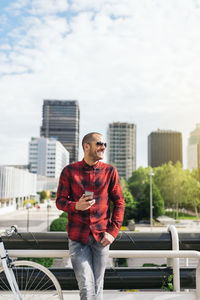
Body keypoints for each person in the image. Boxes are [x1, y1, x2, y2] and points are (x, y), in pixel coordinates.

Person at [56, 132, 125, 300]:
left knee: (97, 288)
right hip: (78, 239)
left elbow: (120, 202)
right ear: (86, 146)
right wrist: (75, 206)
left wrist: (113, 232)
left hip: (102, 237)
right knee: (87, 287)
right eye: (99, 144)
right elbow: (59, 201)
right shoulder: (69, 171)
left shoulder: (110, 171)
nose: (103, 147)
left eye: (104, 144)